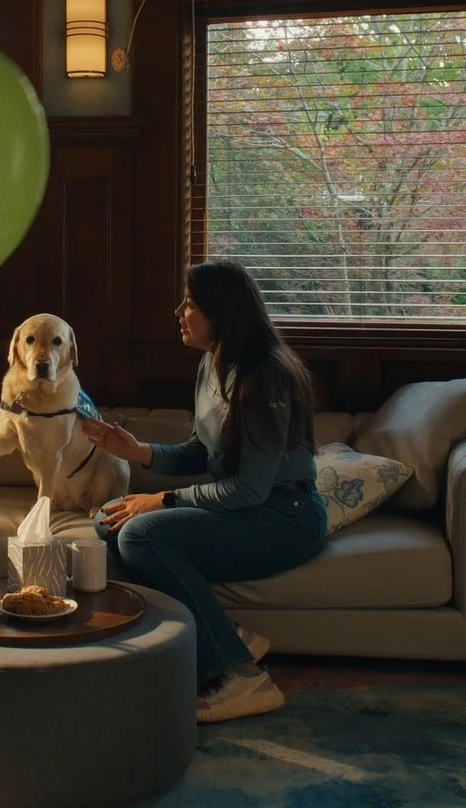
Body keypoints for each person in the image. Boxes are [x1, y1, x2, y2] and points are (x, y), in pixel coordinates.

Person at [81, 260, 328, 723]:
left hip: (285, 516)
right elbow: (204, 452)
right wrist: (138, 452)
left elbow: (249, 490)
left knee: (140, 534)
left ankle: (240, 680)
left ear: (222, 313)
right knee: (109, 519)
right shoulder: (210, 366)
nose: (178, 312)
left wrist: (163, 500)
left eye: (190, 304)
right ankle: (227, 636)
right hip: (251, 508)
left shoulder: (263, 379)